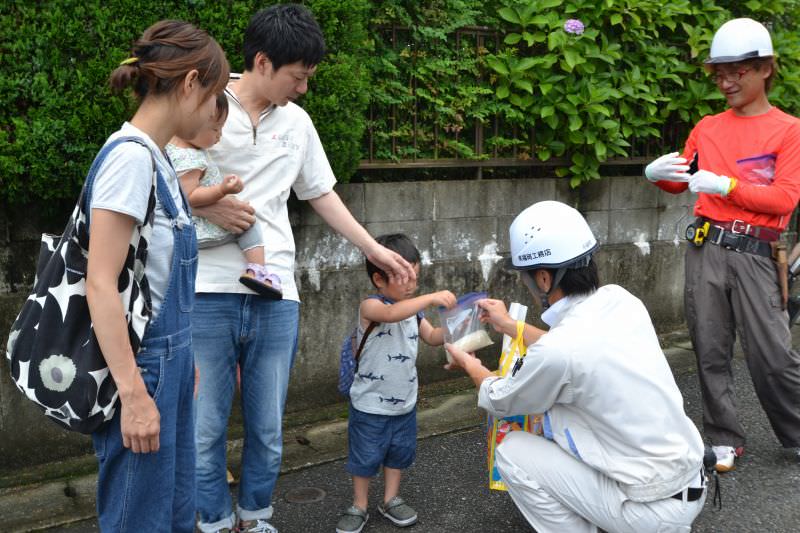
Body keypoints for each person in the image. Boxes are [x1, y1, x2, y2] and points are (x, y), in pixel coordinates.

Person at [190, 5, 416, 533]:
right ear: (263, 62)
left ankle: (256, 517)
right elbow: (164, 181)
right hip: (204, 290)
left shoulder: (297, 122)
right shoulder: (202, 107)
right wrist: (205, 205)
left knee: (268, 429)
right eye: (299, 77)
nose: (305, 89)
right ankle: (215, 523)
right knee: (205, 430)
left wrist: (375, 250)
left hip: (276, 293)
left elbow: (320, 193)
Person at [445, 201, 707, 532]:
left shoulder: (561, 349)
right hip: (687, 482)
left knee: (512, 451)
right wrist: (510, 325)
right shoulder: (622, 300)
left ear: (543, 278)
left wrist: (469, 362)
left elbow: (501, 398)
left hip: (650, 510)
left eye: (526, 277)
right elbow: (569, 351)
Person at [85, 20, 229, 532]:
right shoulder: (130, 159)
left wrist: (184, 355)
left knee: (170, 514)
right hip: (143, 369)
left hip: (169, 361)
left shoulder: (159, 158)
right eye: (214, 95)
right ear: (190, 83)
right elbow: (99, 281)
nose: (216, 111)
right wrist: (133, 394)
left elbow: (152, 276)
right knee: (139, 520)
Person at [644, 17, 800, 471]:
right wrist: (656, 176)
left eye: (738, 71)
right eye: (720, 72)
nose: (726, 81)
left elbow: (786, 197)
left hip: (756, 252)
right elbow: (683, 179)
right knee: (709, 347)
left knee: (772, 354)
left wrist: (727, 184)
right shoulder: (708, 127)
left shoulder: (788, 130)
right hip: (705, 248)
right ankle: (723, 437)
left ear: (766, 68)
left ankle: (795, 432)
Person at [335, 234, 455, 533]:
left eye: (415, 275)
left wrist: (459, 324)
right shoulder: (371, 306)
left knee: (398, 454)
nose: (412, 282)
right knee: (364, 457)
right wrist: (428, 298)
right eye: (404, 275)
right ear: (379, 278)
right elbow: (389, 314)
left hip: (405, 402)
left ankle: (390, 499)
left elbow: (432, 338)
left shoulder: (415, 311)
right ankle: (359, 504)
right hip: (369, 403)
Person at [166, 94, 282, 299]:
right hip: (201, 227)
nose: (219, 135)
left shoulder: (169, 147)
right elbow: (189, 196)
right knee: (247, 222)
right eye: (215, 129)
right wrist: (222, 190)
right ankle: (258, 270)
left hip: (187, 229)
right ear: (190, 122)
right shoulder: (190, 158)